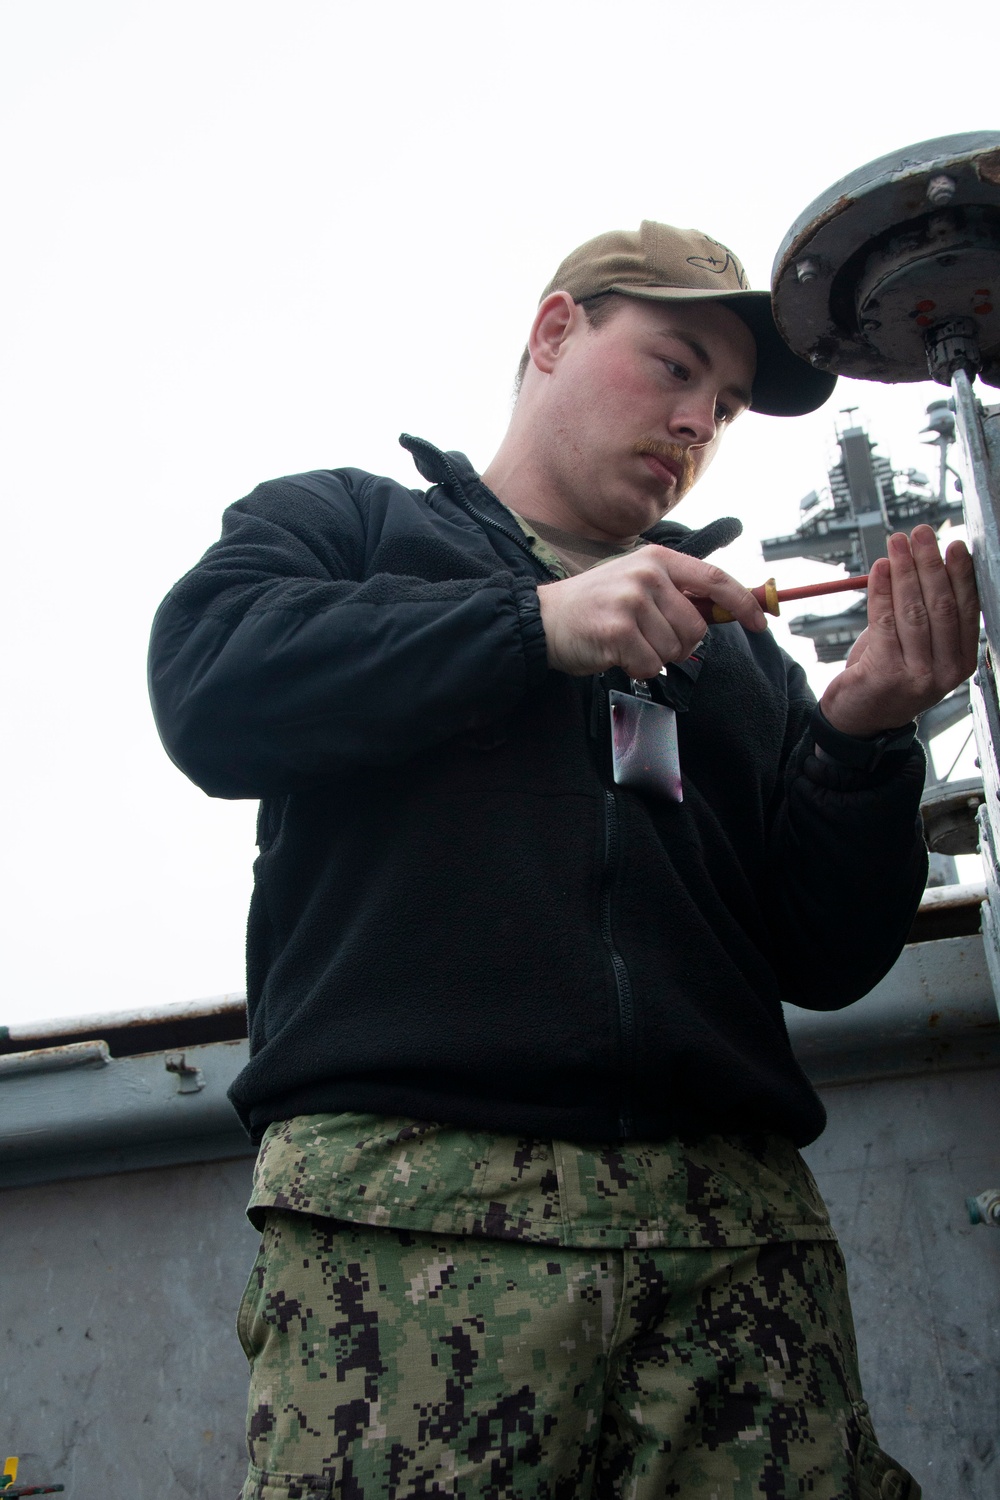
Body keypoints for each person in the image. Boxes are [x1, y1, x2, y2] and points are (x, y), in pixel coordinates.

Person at [149, 220, 979, 1500]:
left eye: (729, 402)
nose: (699, 416)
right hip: (411, 1230)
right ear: (552, 333)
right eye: (673, 363)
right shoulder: (351, 530)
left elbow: (825, 955)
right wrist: (526, 624)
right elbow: (210, 687)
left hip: (734, 1254)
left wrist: (859, 744)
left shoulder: (735, 648)